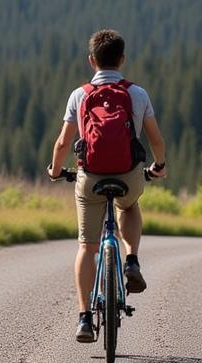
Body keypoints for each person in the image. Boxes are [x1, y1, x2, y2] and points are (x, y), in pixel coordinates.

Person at [48, 28, 167, 343]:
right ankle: (131, 259)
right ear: (123, 59)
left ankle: (85, 318)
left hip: (90, 178)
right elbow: (156, 140)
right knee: (129, 205)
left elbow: (63, 143)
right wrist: (159, 167)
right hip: (128, 175)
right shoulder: (137, 94)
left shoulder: (80, 94)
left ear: (92, 61)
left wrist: (55, 170)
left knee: (87, 246)